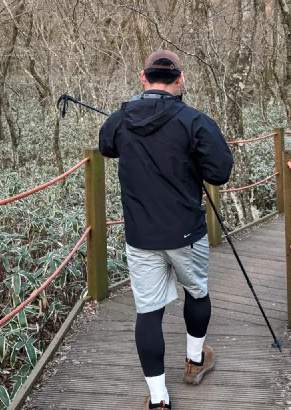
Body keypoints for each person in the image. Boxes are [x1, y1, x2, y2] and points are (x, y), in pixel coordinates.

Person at [98, 50, 233, 410]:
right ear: (180, 79)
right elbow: (220, 171)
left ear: (143, 78)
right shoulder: (195, 121)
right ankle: (195, 361)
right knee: (197, 292)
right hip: (186, 232)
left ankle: (159, 400)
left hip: (141, 236)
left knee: (148, 312)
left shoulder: (121, 119)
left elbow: (106, 145)